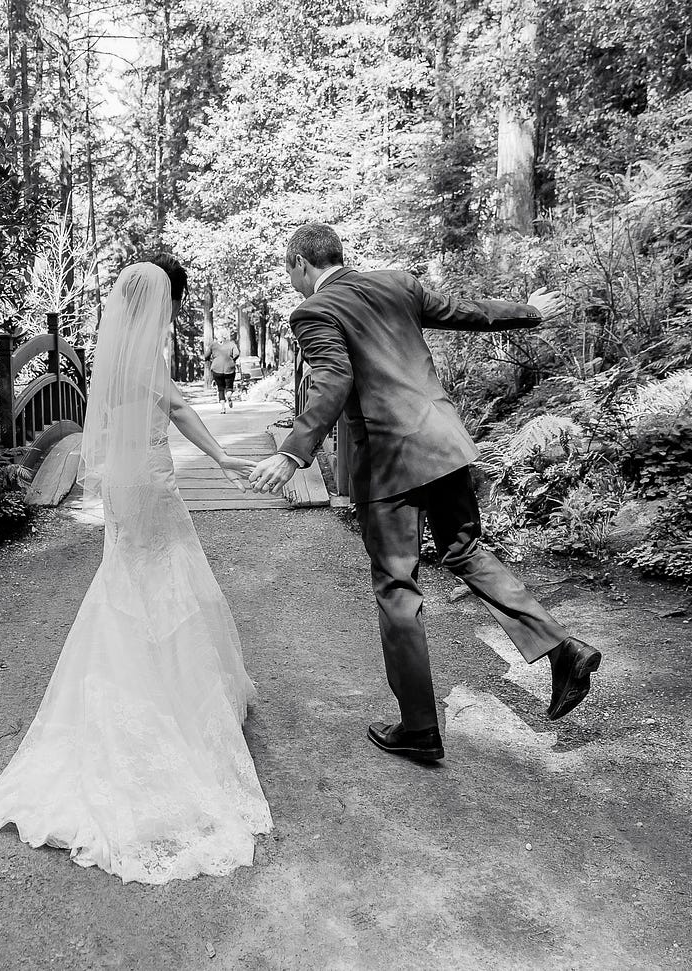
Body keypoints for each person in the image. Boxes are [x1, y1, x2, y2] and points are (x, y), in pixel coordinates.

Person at [247, 223, 602, 764]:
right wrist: (528, 309)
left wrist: (292, 452)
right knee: (464, 552)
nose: (290, 281)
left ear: (300, 263)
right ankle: (562, 648)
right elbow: (465, 311)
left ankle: (418, 728)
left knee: (397, 588)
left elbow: (333, 381)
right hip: (445, 444)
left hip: (391, 462)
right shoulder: (397, 284)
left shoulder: (313, 312)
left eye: (288, 270)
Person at [0, 258, 272, 883]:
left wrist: (212, 460)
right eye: (172, 301)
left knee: (132, 581)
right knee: (165, 579)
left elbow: (118, 425)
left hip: (129, 486)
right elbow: (183, 410)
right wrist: (223, 461)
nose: (174, 310)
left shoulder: (116, 356)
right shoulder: (146, 358)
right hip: (153, 484)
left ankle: (150, 683)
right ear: (159, 302)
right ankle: (174, 700)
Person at [205, 328, 241, 412]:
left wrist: (210, 359)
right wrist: (232, 360)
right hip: (229, 368)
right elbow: (237, 353)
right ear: (226, 336)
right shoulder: (231, 344)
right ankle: (229, 395)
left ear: (217, 336)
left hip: (216, 368)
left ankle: (223, 408)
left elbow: (206, 356)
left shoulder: (213, 345)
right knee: (229, 386)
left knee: (220, 388)